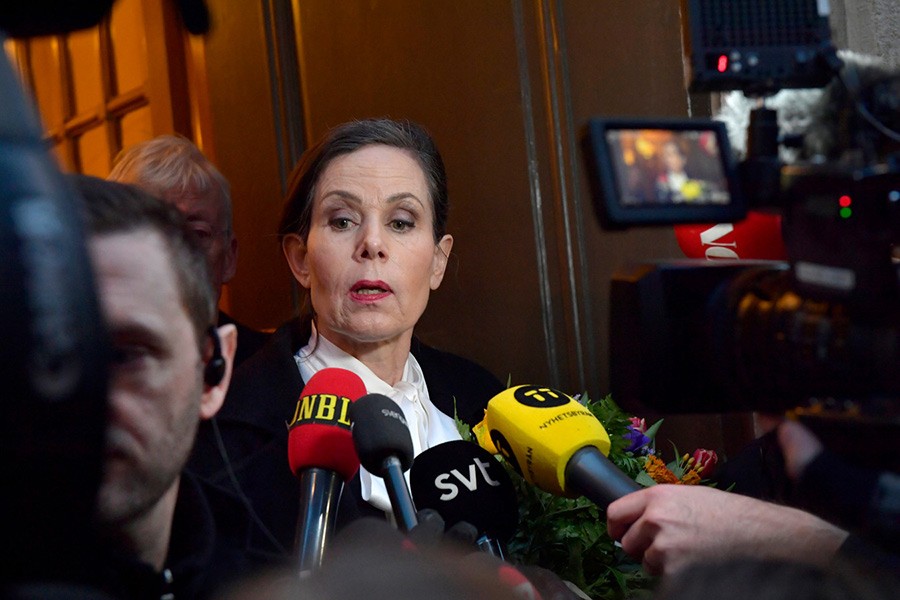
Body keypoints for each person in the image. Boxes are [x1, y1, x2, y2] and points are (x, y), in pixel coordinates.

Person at [187, 118, 504, 556]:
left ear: (438, 261)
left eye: (401, 222)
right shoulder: (226, 437)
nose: (372, 243)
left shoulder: (484, 398)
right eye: (342, 221)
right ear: (300, 259)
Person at [75, 175, 265, 599]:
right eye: (53, 358)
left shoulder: (270, 586)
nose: (89, 397)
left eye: (128, 356)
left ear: (213, 369)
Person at [107, 135, 269, 367]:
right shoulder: (77, 376)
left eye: (196, 234)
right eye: (150, 232)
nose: (174, 254)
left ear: (229, 258)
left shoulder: (274, 369)